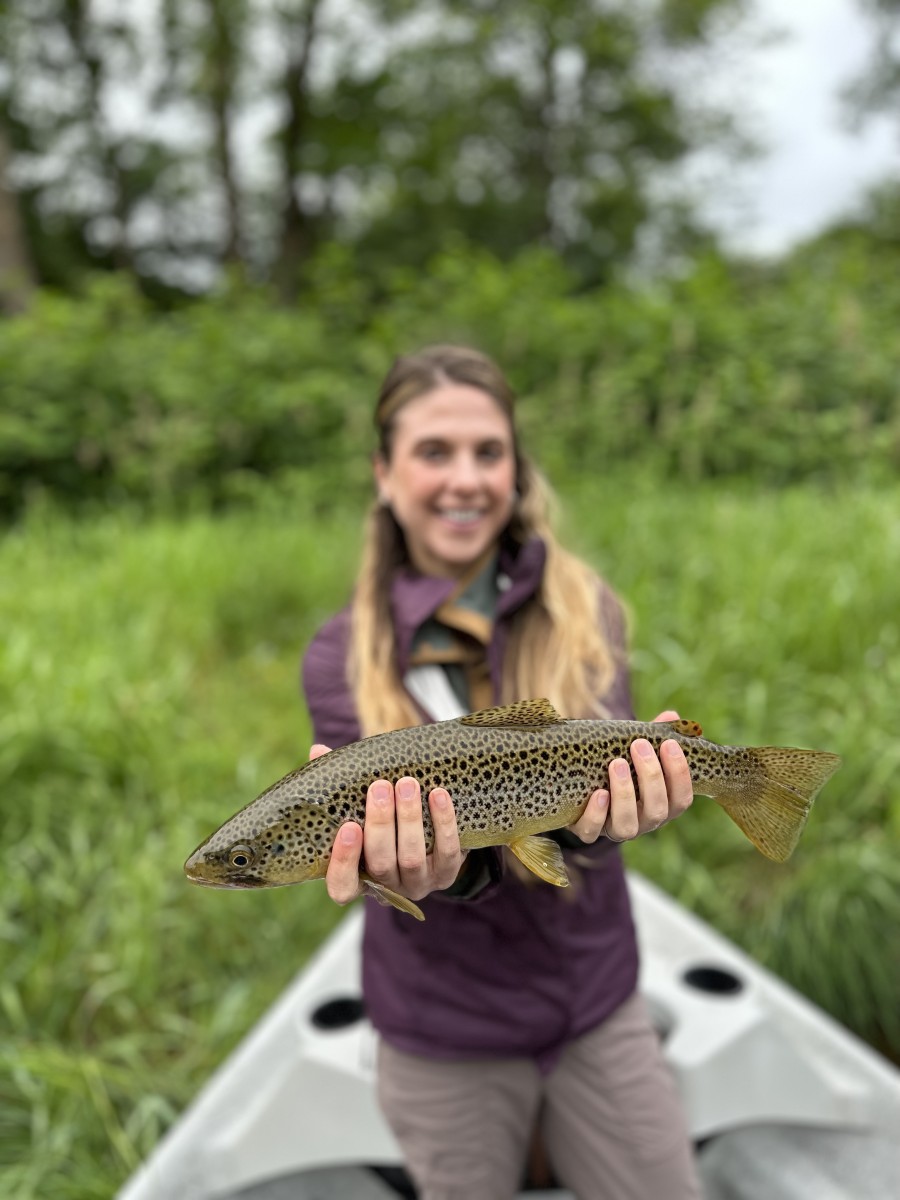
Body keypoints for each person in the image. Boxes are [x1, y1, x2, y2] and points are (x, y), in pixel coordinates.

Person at [301, 345, 701, 1200]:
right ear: (383, 473)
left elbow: (587, 818)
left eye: (489, 452)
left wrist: (619, 814)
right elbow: (403, 864)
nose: (465, 479)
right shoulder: (339, 656)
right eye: (434, 452)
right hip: (441, 1025)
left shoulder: (584, 608)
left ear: (517, 473)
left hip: (595, 996)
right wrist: (441, 875)